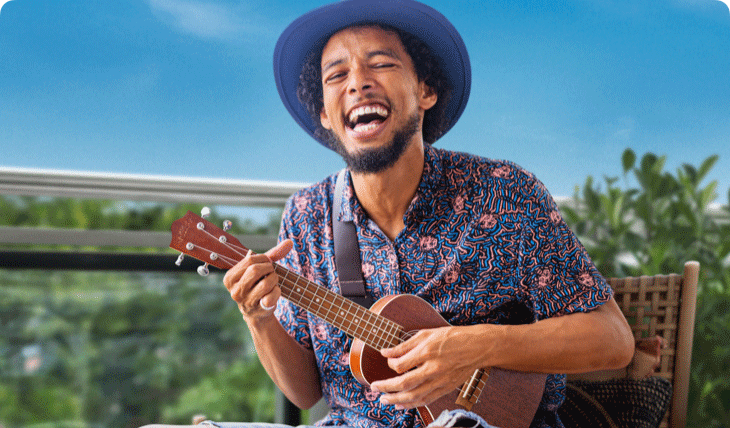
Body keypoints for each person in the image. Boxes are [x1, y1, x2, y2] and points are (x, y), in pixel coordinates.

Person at [143, 0, 634, 427]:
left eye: (380, 64)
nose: (357, 83)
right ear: (324, 114)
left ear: (425, 91)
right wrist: (259, 318)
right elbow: (305, 393)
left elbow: (612, 341)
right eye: (336, 75)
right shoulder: (307, 217)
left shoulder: (503, 193)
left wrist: (472, 346)